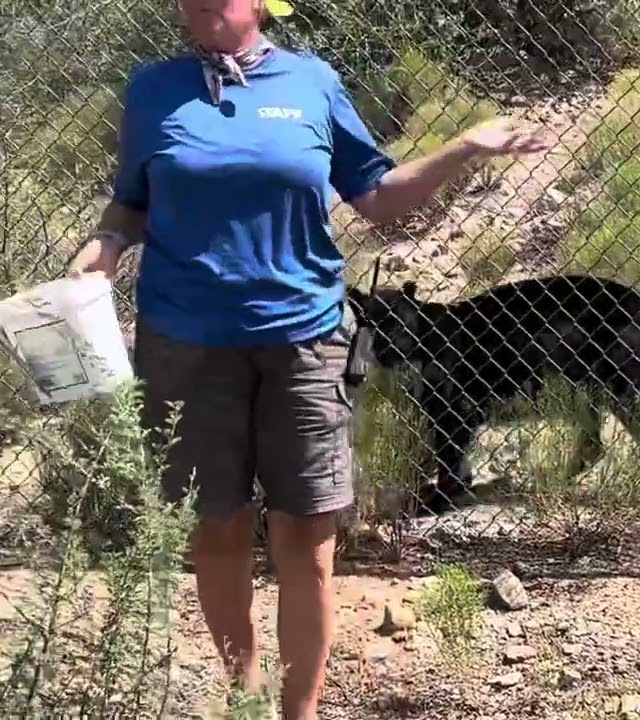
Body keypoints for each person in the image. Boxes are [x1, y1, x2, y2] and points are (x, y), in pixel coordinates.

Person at [67, 0, 552, 716]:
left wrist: (463, 148)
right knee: (218, 526)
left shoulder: (312, 83)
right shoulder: (152, 88)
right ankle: (246, 698)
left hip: (305, 340)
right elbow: (132, 203)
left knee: (307, 540)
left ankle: (301, 712)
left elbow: (378, 199)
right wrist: (104, 248)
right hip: (186, 341)